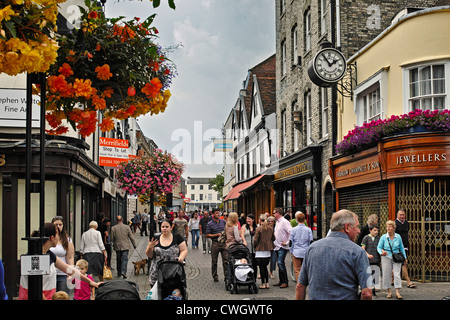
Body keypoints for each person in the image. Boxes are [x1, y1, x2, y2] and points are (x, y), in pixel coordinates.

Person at [296, 209, 372, 300]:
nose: (359, 231)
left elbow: (300, 286)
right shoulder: (357, 252)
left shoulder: (312, 248)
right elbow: (367, 293)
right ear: (347, 227)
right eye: (357, 227)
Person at [19, 223, 100, 300]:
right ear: (52, 237)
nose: (59, 237)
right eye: (58, 234)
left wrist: (89, 281)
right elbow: (36, 289)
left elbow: (68, 269)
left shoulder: (48, 254)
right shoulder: (36, 257)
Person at [146, 219, 188, 288]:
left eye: (167, 227)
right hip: (156, 273)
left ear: (171, 228)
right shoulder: (155, 238)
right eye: (163, 227)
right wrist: (149, 248)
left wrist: (181, 258)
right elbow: (150, 255)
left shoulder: (177, 238)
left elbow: (184, 250)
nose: (164, 229)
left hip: (173, 273)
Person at [377, 220, 407, 299]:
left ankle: (397, 292)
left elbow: (401, 248)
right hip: (386, 256)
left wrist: (405, 257)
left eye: (390, 226)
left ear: (393, 228)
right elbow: (379, 247)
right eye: (387, 226)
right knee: (387, 274)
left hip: (396, 257)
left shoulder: (398, 237)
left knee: (397, 274)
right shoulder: (383, 237)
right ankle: (389, 291)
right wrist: (381, 252)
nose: (388, 228)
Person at [50, 216, 74, 294]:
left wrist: (70, 273)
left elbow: (70, 258)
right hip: (50, 273)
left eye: (60, 224)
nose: (58, 227)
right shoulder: (49, 239)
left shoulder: (67, 240)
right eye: (56, 224)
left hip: (63, 273)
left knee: (62, 296)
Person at [289, 212, 313, 284]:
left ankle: (300, 283)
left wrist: (291, 250)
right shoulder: (308, 230)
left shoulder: (294, 230)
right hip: (305, 251)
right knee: (305, 268)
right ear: (304, 220)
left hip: (296, 251)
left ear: (297, 220)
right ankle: (305, 281)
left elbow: (291, 241)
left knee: (297, 269)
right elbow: (310, 241)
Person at [206, 208, 228, 282]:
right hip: (215, 243)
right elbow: (207, 235)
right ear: (213, 214)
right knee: (214, 261)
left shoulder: (223, 222)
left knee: (226, 260)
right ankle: (215, 275)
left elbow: (226, 230)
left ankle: (227, 275)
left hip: (223, 243)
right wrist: (216, 235)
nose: (218, 214)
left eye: (219, 213)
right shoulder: (210, 224)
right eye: (216, 213)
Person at [395, 209, 416, 288]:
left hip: (404, 246)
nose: (402, 216)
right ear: (397, 215)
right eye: (400, 215)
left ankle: (393, 280)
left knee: (401, 263)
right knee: (402, 263)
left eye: (403, 215)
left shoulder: (406, 223)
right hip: (397, 247)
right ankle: (408, 281)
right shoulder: (395, 223)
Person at [254, 214, 275, 289]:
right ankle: (267, 283)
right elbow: (273, 238)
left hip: (260, 250)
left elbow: (255, 239)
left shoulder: (259, 228)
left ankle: (263, 283)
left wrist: (254, 246)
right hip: (267, 250)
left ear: (260, 220)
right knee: (265, 267)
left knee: (261, 267)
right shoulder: (270, 228)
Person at [273, 208, 292, 288]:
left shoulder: (285, 222)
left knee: (281, 263)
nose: (273, 215)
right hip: (277, 246)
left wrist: (287, 242)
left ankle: (285, 281)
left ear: (278, 213)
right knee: (279, 263)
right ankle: (281, 280)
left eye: (274, 213)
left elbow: (291, 232)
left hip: (282, 246)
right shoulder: (277, 222)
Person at [361, 225, 381, 296]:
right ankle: (368, 289)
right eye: (374, 230)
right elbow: (363, 249)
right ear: (370, 230)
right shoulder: (366, 238)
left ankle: (373, 290)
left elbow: (380, 248)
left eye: (377, 230)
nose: (376, 232)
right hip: (368, 260)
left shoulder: (379, 238)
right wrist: (368, 255)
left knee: (375, 275)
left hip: (376, 260)